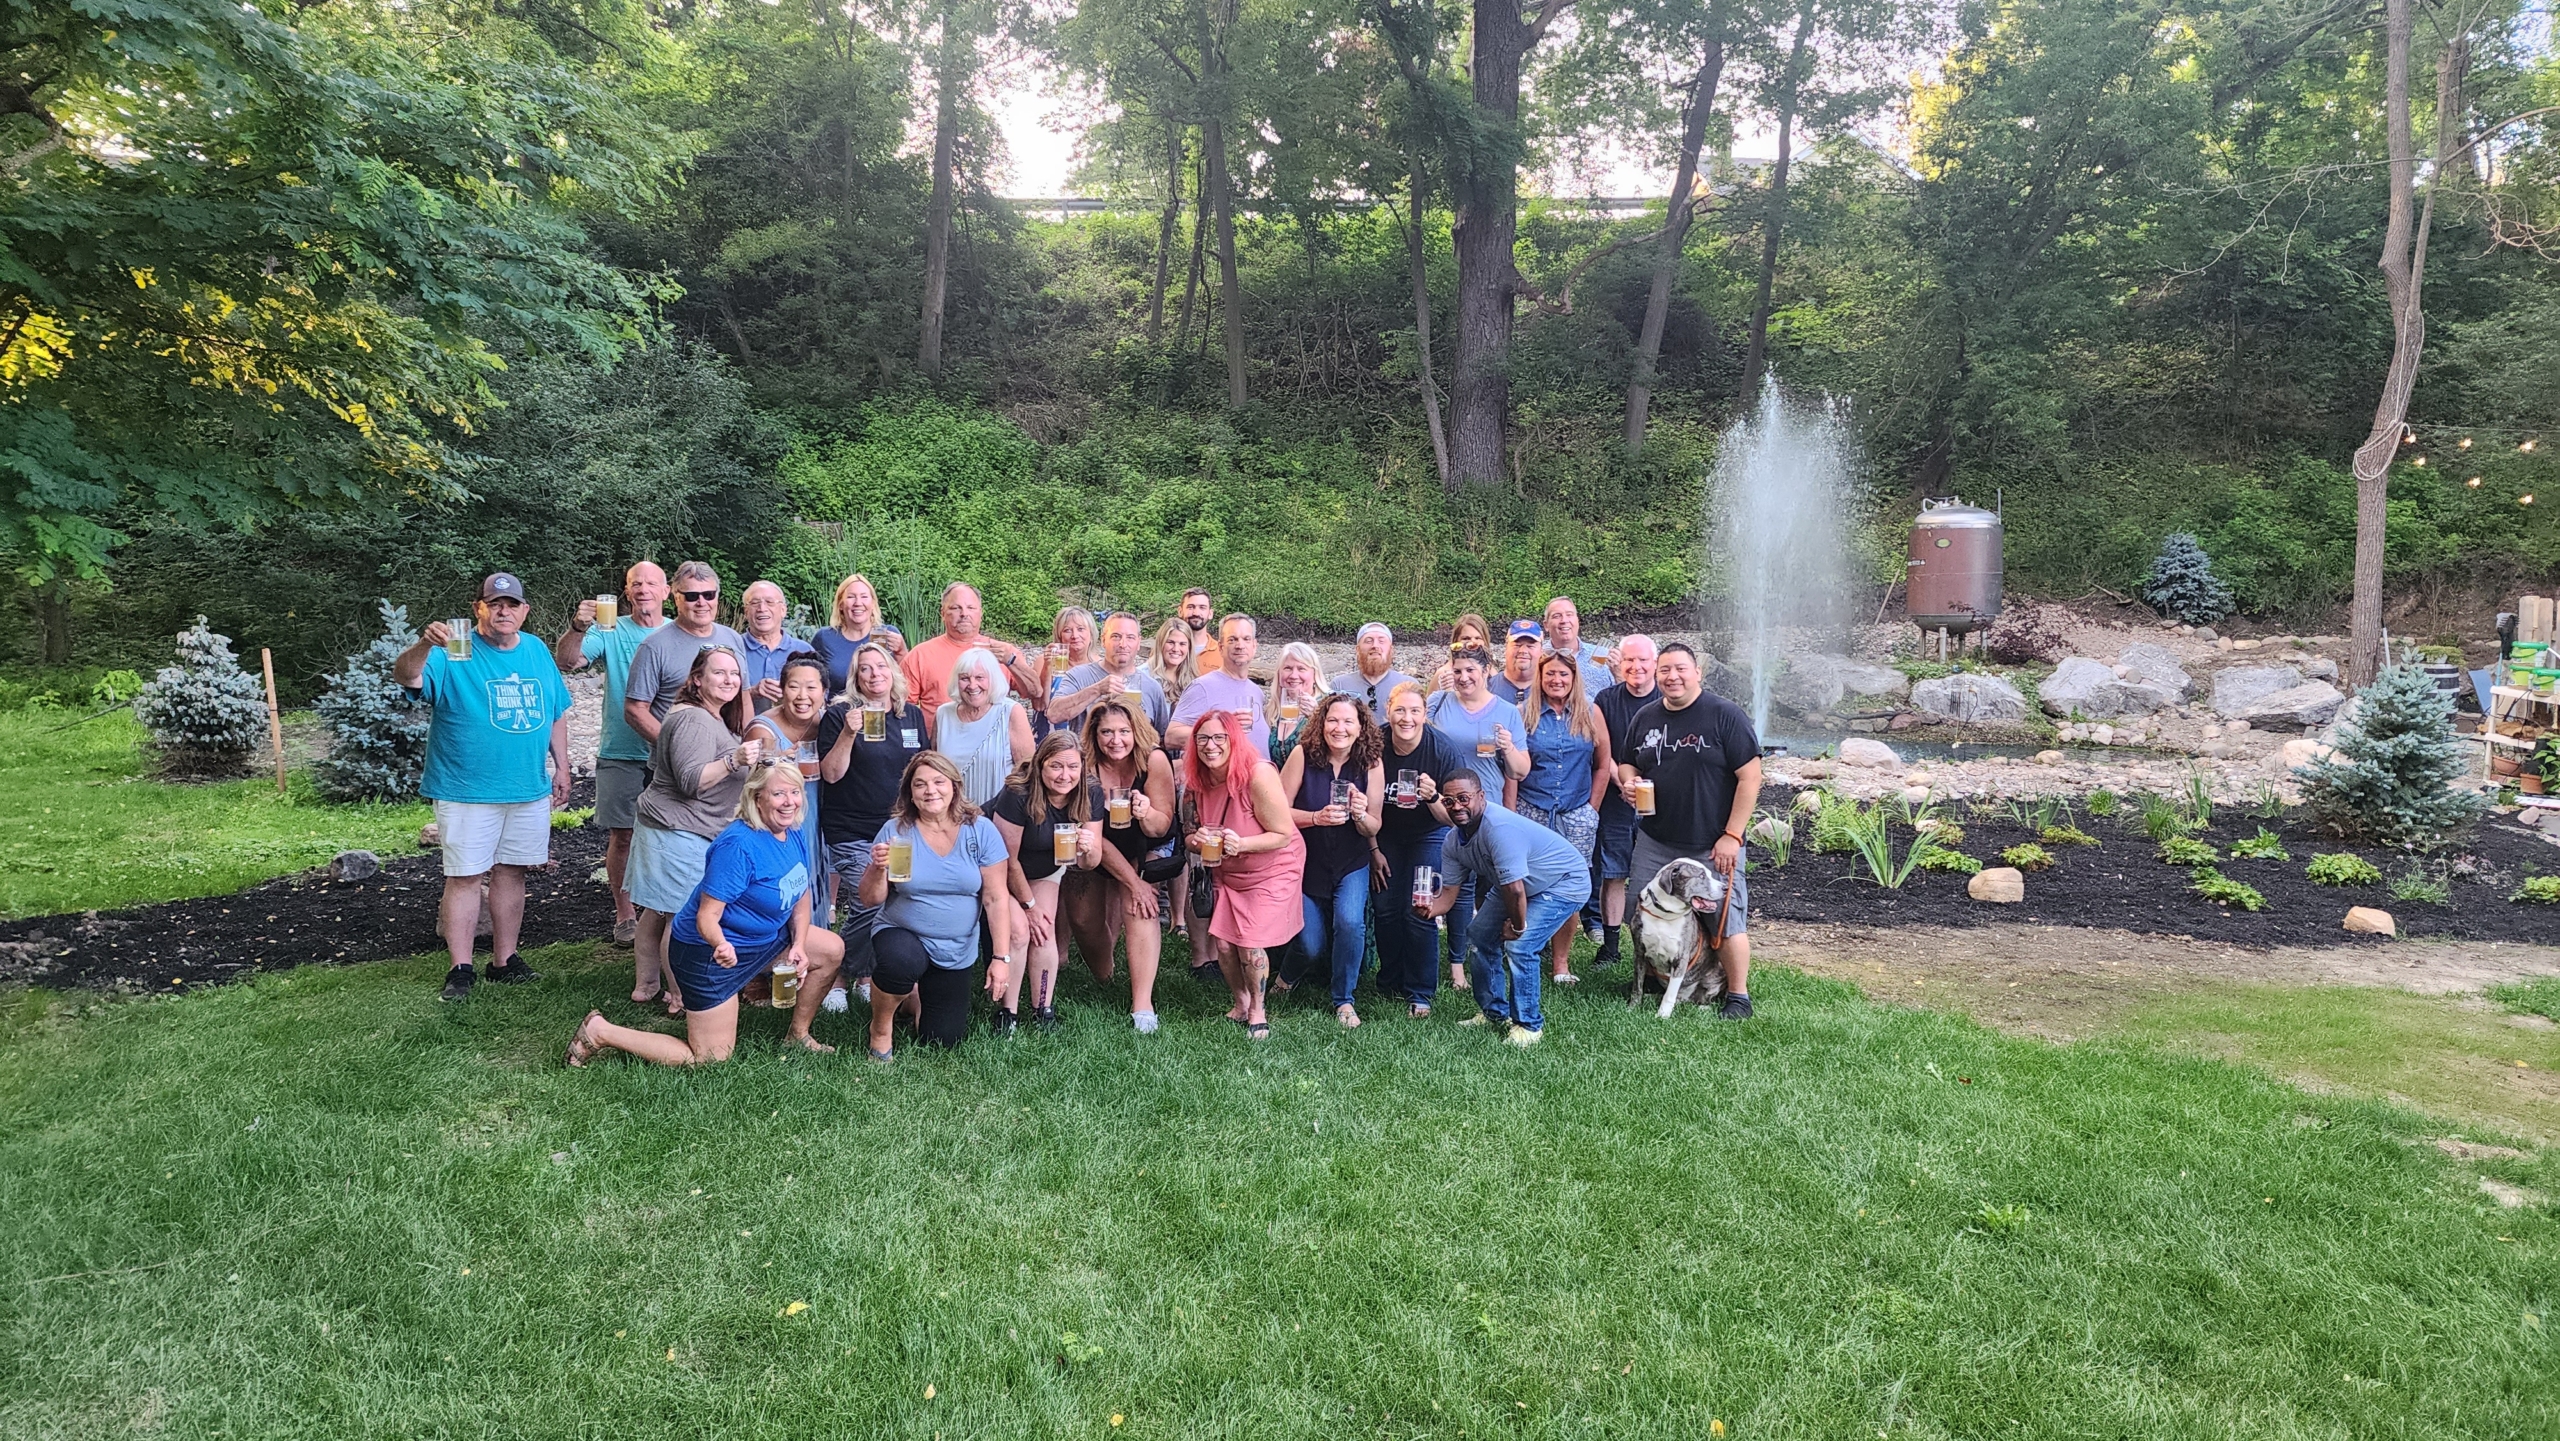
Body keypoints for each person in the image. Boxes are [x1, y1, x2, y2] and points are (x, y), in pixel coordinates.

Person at [567, 761, 846, 1067]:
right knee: (709, 1059)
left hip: (763, 939)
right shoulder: (738, 846)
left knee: (831, 949)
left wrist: (798, 944)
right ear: (756, 798)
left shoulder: (790, 831)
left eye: (795, 792)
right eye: (779, 793)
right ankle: (602, 1031)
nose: (790, 801)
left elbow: (799, 890)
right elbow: (706, 917)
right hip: (709, 952)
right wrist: (720, 945)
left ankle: (798, 1034)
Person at [395, 573, 572, 1002]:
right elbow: (406, 677)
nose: (503, 611)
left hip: (527, 788)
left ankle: (504, 960)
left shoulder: (535, 650)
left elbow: (555, 712)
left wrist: (562, 768)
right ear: (479, 608)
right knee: (466, 876)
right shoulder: (451, 652)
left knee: (513, 872)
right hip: (465, 788)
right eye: (494, 604)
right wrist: (424, 645)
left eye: (512, 604)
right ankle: (460, 968)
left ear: (525, 611)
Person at [1615, 642, 1762, 1020]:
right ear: (1656, 674)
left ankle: (1738, 995)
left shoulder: (1724, 715)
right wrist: (1629, 783)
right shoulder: (1645, 717)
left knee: (1724, 918)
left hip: (1711, 844)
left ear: (1697, 672)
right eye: (1664, 670)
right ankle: (1652, 977)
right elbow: (1627, 764)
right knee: (1641, 909)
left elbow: (1750, 777)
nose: (1671, 676)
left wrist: (1733, 835)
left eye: (1680, 668)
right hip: (1656, 839)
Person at [628, 644, 760, 1015]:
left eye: (734, 674)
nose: (729, 680)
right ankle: (680, 995)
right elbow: (690, 780)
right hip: (677, 831)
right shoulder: (694, 719)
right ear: (697, 679)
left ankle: (647, 984)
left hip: (669, 828)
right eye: (719, 673)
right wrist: (735, 758)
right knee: (681, 916)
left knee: (656, 911)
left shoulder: (706, 715)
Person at [855, 752, 1014, 1058]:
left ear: (954, 786)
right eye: (920, 784)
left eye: (939, 782)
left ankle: (910, 997)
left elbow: (996, 899)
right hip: (902, 931)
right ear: (910, 794)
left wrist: (1000, 958)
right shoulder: (896, 831)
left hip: (956, 948)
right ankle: (881, 1028)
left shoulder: (980, 830)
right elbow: (870, 899)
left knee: (942, 1039)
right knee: (902, 962)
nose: (930, 791)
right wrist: (876, 868)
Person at [1417, 771, 1590, 1045]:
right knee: (1480, 935)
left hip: (1564, 882)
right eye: (1449, 801)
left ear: (1481, 797)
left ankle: (1528, 1026)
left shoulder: (1498, 829)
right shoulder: (1452, 841)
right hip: (1517, 883)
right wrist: (1429, 909)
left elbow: (1515, 890)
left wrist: (1518, 926)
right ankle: (1494, 1011)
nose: (1457, 806)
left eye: (1464, 798)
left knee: (1521, 945)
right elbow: (1449, 894)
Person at [554, 560, 667, 949]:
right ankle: (625, 916)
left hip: (671, 754)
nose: (643, 589)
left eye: (651, 583)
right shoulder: (611, 628)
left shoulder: (680, 632)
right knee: (623, 836)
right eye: (635, 583)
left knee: (675, 834)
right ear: (626, 591)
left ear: (666, 591)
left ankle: (668, 910)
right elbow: (568, 662)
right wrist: (577, 627)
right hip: (622, 750)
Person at [814, 641, 928, 1012]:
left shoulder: (909, 715)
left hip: (899, 829)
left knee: (891, 903)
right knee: (866, 903)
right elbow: (831, 775)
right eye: (865, 668)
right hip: (852, 829)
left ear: (892, 671)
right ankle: (839, 976)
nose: (874, 674)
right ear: (856, 677)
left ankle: (866, 975)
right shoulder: (840, 715)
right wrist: (849, 733)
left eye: (880, 666)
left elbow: (921, 771)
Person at [1184, 709, 1306, 1040]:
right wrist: (1196, 841)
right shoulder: (1196, 781)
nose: (1211, 746)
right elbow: (1189, 831)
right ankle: (1240, 1002)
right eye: (1203, 738)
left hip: (1272, 867)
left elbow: (1282, 834)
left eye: (1219, 737)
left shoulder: (1257, 774)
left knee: (1249, 943)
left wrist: (1242, 843)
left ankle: (1258, 1010)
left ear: (1234, 740)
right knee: (1223, 944)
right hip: (1227, 869)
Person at [1067, 700, 1177, 1033]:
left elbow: (1162, 826)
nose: (1116, 740)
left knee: (1139, 904)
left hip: (1148, 845)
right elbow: (1094, 838)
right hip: (1099, 843)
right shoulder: (1086, 768)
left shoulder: (1153, 760)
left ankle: (1142, 1004)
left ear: (1136, 732)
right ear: (1094, 735)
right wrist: (1131, 879)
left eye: (1124, 731)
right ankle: (1105, 973)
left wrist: (1145, 814)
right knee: (1083, 919)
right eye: (1107, 732)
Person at [988, 732, 1106, 1033]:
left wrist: (1089, 848)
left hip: (1045, 868)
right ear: (1041, 765)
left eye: (1072, 767)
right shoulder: (1019, 792)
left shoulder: (1090, 792)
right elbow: (1007, 860)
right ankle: (1008, 1013)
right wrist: (1028, 905)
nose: (1065, 775)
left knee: (1043, 930)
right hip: (998, 868)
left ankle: (1043, 1007)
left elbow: (1089, 864)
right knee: (1018, 931)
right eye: (1056, 766)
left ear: (1082, 767)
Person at [1278, 693, 1384, 1027]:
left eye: (1348, 721)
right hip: (1306, 860)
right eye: (1333, 720)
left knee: (1350, 924)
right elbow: (1277, 812)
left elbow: (1374, 824)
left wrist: (1360, 813)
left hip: (1351, 861)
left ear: (1360, 727)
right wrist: (1315, 818)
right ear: (1321, 723)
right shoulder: (1302, 755)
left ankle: (1344, 1000)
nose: (1339, 728)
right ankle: (1286, 978)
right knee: (1311, 943)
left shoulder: (1371, 763)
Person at [1426, 646, 1525, 991]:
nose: (1464, 677)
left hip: (1488, 812)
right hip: (1445, 810)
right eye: (1458, 671)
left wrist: (1508, 746)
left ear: (1487, 672)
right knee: (1456, 886)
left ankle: (1493, 958)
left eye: (1471, 670)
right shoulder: (1438, 703)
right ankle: (1456, 967)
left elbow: (1520, 770)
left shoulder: (1507, 712)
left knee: (1489, 891)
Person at [1514, 648, 1612, 987]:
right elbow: (1512, 770)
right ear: (1540, 678)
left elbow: (1602, 764)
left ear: (1574, 679)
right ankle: (1522, 949)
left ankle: (1561, 963)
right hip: (1532, 810)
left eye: (1564, 675)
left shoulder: (1590, 713)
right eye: (1551, 674)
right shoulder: (1524, 713)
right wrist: (1511, 814)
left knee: (1569, 888)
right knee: (1524, 884)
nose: (1557, 680)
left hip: (1575, 813)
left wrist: (1591, 809)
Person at [1374, 682, 1458, 1017]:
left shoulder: (1441, 750)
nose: (1406, 718)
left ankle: (1420, 991)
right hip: (1385, 835)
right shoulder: (1375, 744)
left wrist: (1433, 797)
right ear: (1388, 712)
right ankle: (1390, 981)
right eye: (1400, 710)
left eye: (1414, 711)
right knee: (1385, 907)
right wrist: (1372, 849)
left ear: (1425, 715)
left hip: (1429, 833)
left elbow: (1452, 819)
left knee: (1420, 906)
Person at [1588, 634, 1660, 968]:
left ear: (1655, 664)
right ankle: (1610, 946)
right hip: (1616, 801)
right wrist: (1625, 782)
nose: (1636, 667)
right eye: (1629, 660)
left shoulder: (1668, 699)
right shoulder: (1605, 700)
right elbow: (1602, 750)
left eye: (1643, 660)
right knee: (1614, 873)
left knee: (1657, 876)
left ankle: (1654, 946)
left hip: (1660, 806)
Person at [748, 653, 833, 928]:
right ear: (781, 690)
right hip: (780, 821)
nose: (802, 696)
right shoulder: (764, 729)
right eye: (794, 687)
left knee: (816, 879)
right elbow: (753, 786)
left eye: (811, 687)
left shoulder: (830, 722)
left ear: (824, 692)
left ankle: (815, 948)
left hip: (819, 815)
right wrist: (777, 761)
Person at [624, 560, 745, 740]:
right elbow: (634, 710)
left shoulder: (733, 638)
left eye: (709, 595)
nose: (701, 602)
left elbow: (744, 697)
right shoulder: (654, 646)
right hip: (679, 764)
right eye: (692, 596)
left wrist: (748, 746)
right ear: (676, 598)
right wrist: (673, 747)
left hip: (731, 759)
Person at [901, 581, 1039, 713]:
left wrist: (1012, 661)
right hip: (939, 735)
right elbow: (902, 707)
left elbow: (1034, 692)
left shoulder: (1003, 652)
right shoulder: (920, 655)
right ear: (942, 613)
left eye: (971, 608)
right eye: (956, 608)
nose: (964, 614)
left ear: (981, 613)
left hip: (992, 735)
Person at [936, 648, 1036, 807]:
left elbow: (1028, 773)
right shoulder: (943, 714)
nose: (972, 685)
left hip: (999, 814)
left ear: (993, 679)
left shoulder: (1011, 712)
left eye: (980, 677)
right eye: (964, 678)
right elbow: (935, 769)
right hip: (950, 815)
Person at [1048, 611, 1171, 735]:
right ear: (1103, 640)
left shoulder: (1152, 687)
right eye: (1116, 636)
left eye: (1130, 637)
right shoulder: (1079, 675)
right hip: (1088, 754)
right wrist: (1097, 689)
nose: (1123, 644)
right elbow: (1054, 715)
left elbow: (1162, 738)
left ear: (1139, 643)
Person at [1167, 613, 1271, 753]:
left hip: (1259, 773)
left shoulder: (1256, 691)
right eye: (1232, 640)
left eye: (1246, 639)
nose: (1240, 645)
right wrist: (1221, 729)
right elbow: (1171, 737)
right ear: (1220, 647)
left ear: (1254, 646)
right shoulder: (1202, 687)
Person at [809, 573, 908, 694]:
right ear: (841, 604)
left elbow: (905, 680)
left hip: (877, 709)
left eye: (864, 596)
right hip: (837, 710)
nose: (858, 603)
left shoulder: (884, 634)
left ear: (873, 603)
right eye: (851, 597)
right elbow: (809, 678)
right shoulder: (825, 638)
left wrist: (901, 652)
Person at [738, 579, 815, 713]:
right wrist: (751, 693)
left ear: (783, 610)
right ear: (746, 612)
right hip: (743, 731)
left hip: (794, 732)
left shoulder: (804, 650)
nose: (762, 608)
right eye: (755, 603)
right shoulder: (734, 648)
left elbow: (820, 697)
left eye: (769, 602)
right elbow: (714, 699)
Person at [1330, 623, 1417, 719]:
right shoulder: (1340, 685)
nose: (1375, 645)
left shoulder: (1408, 685)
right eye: (1368, 641)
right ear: (1357, 649)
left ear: (1391, 650)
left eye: (1381, 641)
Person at [1542, 595, 1618, 694]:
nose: (1564, 620)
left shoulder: (1601, 655)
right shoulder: (1537, 657)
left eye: (1569, 614)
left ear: (1577, 620)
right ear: (1546, 625)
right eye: (1557, 616)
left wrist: (1619, 675)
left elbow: (1621, 698)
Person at [1263, 641, 1325, 760]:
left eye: (1301, 668)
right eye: (1288, 668)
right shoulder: (1272, 710)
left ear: (1314, 675)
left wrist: (1317, 718)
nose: (1293, 675)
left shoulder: (1328, 705)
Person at [1430, 614, 1494, 693]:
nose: (1472, 642)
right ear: (1456, 641)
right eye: (1466, 638)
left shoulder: (1492, 671)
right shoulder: (1443, 674)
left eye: (1477, 638)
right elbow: (1430, 703)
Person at [1147, 618, 1199, 710]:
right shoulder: (1143, 676)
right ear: (1161, 643)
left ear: (1189, 648)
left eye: (1182, 644)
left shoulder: (1193, 680)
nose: (1176, 649)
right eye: (1170, 642)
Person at [1491, 620, 1542, 703]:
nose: (1523, 650)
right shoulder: (1486, 689)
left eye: (1530, 646)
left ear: (1541, 651)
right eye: (1517, 645)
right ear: (1505, 648)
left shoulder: (1550, 691)